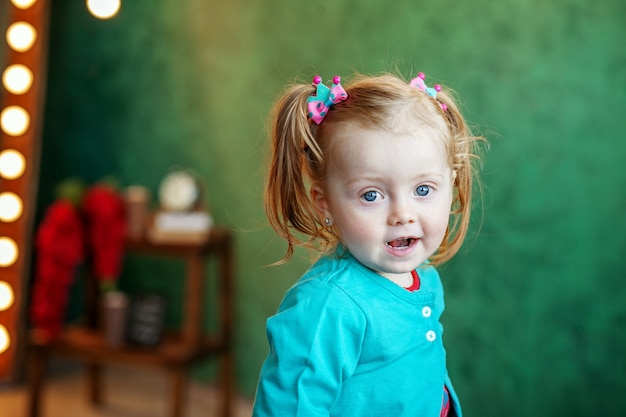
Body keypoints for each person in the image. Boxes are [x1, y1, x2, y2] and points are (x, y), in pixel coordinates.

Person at [252, 70, 486, 417]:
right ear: (325, 202)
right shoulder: (329, 306)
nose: (402, 215)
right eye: (371, 194)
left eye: (423, 190)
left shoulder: (425, 278)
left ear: (451, 184)